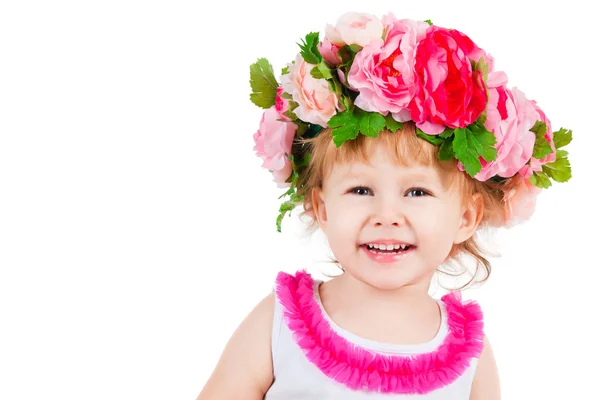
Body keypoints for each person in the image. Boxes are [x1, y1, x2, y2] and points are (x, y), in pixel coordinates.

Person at [197, 11, 572, 399]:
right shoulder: (280, 323)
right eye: (361, 190)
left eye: (416, 193)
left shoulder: (470, 357)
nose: (387, 217)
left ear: (465, 217)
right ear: (323, 209)